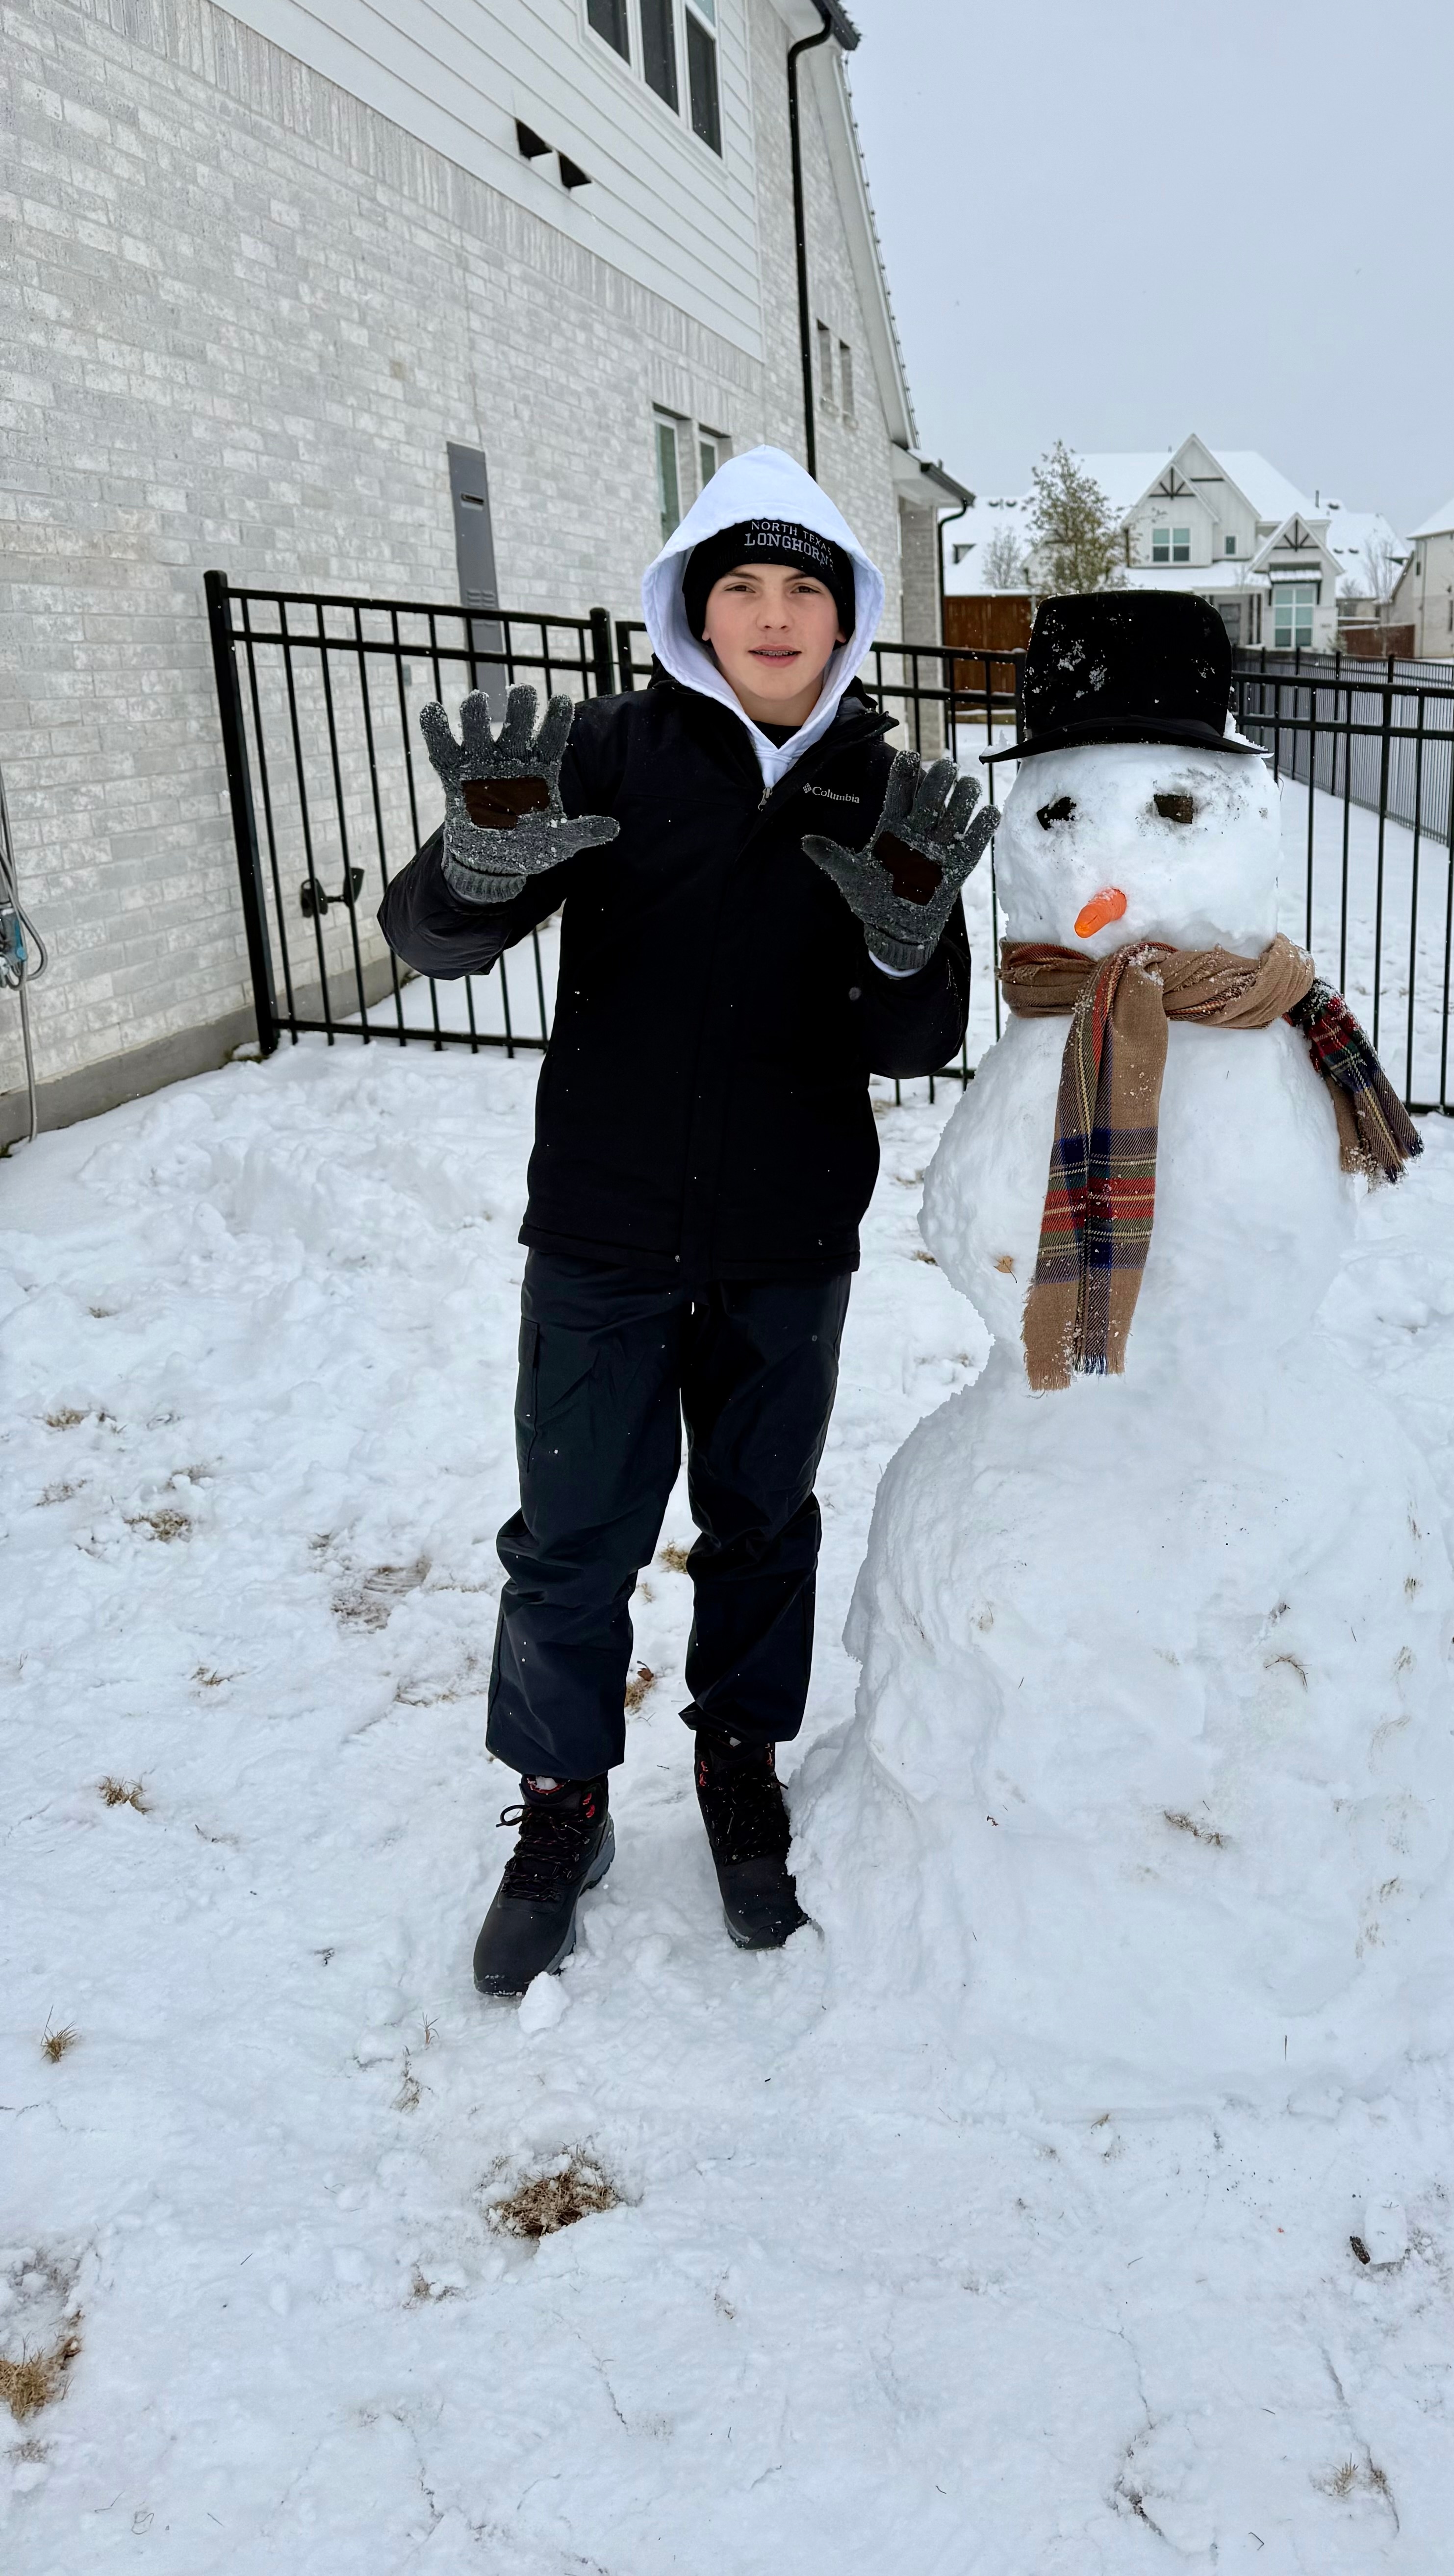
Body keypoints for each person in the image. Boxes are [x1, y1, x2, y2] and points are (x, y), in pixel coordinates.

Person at [379, 448, 991, 1995]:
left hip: (787, 1239)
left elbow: (919, 1039)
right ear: (693, 608)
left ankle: (737, 1772)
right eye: (742, 585)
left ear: (843, 620)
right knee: (572, 1538)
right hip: (602, 1223)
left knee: (760, 1524)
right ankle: (560, 1805)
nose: (773, 616)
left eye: (804, 589)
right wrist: (471, 865)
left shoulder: (880, 786)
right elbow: (431, 938)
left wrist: (910, 936)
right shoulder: (604, 754)